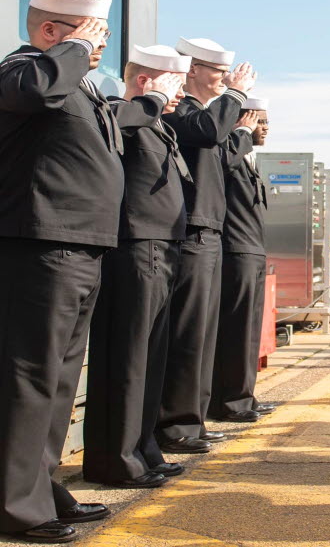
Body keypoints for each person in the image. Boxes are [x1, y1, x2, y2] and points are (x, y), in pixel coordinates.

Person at [0, 0, 116, 543]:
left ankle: (42, 487)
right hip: (41, 243)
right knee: (30, 378)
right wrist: (69, 52)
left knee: (61, 380)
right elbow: (30, 92)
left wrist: (75, 58)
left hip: (80, 244)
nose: (98, 46)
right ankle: (15, 505)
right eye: (91, 35)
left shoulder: (71, 79)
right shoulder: (24, 69)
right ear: (51, 32)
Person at [83, 45, 191, 490]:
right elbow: (117, 124)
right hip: (135, 247)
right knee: (126, 357)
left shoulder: (156, 121)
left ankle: (143, 447)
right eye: (175, 84)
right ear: (147, 81)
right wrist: (151, 101)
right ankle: (116, 459)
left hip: (163, 249)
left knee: (149, 357)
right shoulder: (117, 109)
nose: (180, 94)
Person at [158, 38, 256, 449]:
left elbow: (224, 151)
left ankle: (192, 419)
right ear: (193, 70)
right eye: (217, 72)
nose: (225, 80)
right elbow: (212, 132)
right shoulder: (183, 111)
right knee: (187, 333)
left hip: (210, 230)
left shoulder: (207, 115)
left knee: (203, 333)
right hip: (192, 230)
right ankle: (176, 424)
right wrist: (235, 95)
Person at [210, 96, 277, 422]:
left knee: (249, 330)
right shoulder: (229, 152)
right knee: (235, 330)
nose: (265, 128)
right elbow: (221, 168)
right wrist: (239, 133)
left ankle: (243, 396)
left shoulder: (248, 159)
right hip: (235, 251)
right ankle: (230, 401)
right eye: (259, 121)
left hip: (251, 251)